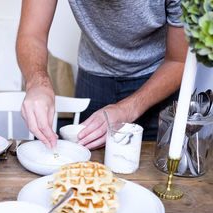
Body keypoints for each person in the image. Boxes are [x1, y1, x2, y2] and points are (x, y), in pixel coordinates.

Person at [16, 0, 189, 150]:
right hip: (93, 78)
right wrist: (38, 83)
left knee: (149, 175)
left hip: (157, 81)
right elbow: (32, 34)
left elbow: (179, 61)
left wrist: (128, 108)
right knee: (89, 172)